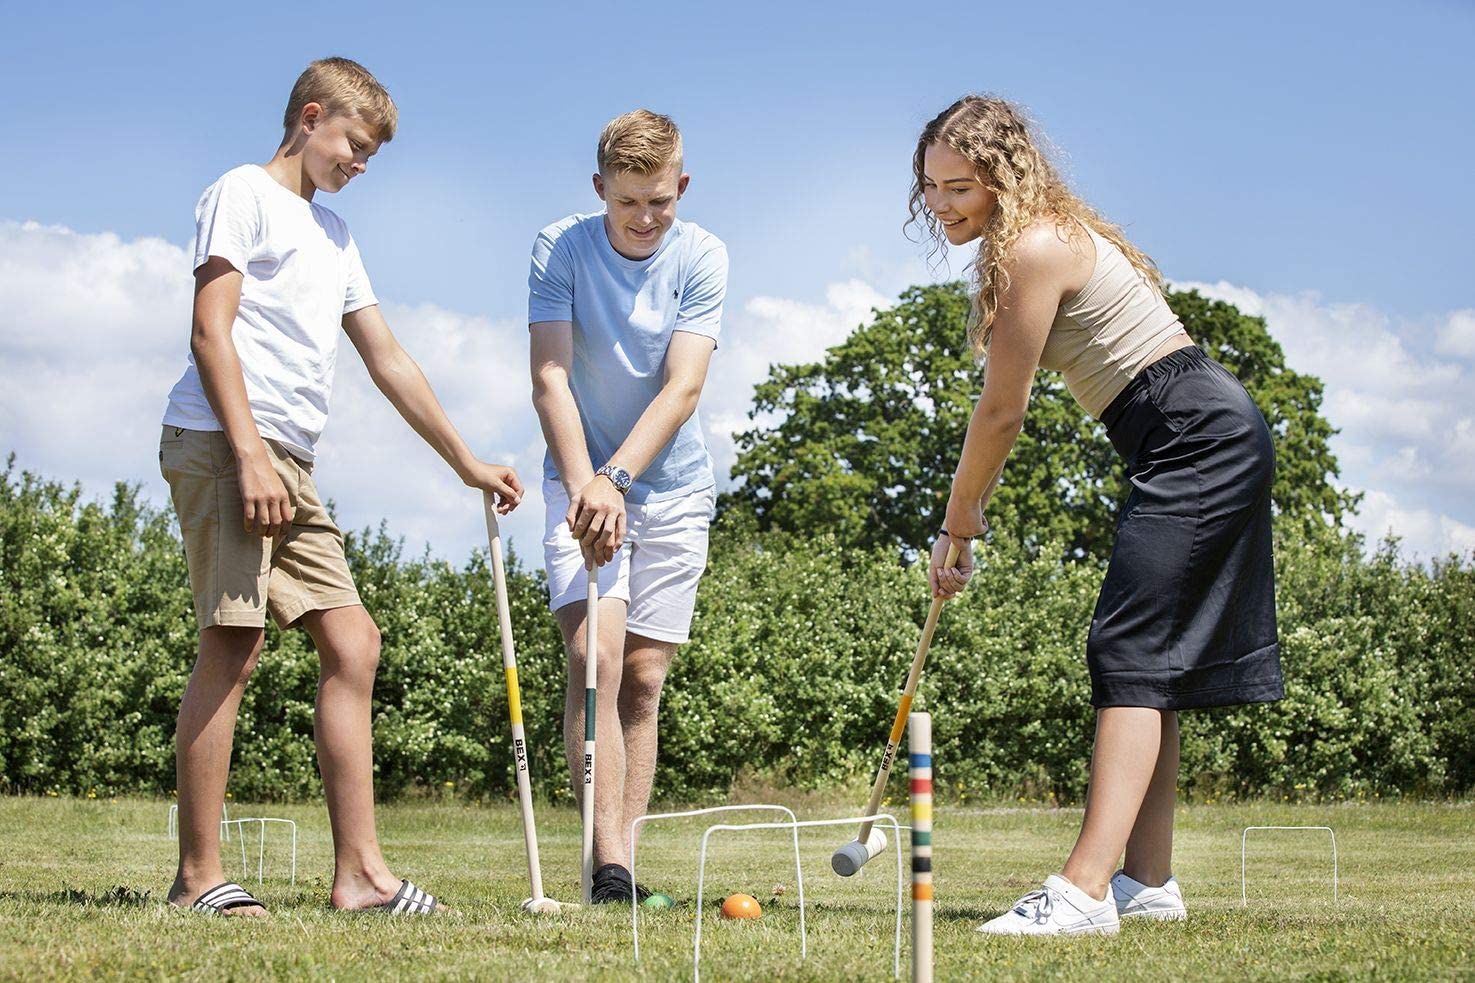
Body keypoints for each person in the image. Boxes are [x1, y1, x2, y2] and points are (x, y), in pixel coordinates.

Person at [159, 57, 522, 916]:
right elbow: (211, 332)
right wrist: (248, 454)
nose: (361, 164)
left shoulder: (335, 236)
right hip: (223, 440)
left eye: (370, 155)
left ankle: (360, 876)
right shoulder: (241, 192)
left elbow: (385, 355)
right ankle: (196, 878)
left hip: (291, 458)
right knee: (234, 641)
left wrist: (465, 459)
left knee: (354, 642)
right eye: (354, 145)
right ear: (310, 116)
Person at [914, 95, 1283, 935]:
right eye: (930, 186)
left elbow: (1000, 411)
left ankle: (1082, 889)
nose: (940, 204)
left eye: (959, 186)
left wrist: (958, 522)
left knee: (1129, 648)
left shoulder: (1035, 249)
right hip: (1195, 429)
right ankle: (1145, 883)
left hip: (1193, 433)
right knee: (1150, 660)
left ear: (1003, 179)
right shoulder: (1044, 237)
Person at [528, 109, 727, 903]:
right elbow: (549, 376)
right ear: (598, 190)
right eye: (626, 203)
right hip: (577, 476)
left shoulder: (703, 254)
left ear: (679, 186)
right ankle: (605, 867)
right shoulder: (559, 247)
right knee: (593, 662)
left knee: (641, 678)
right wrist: (587, 484)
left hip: (671, 487)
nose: (644, 219)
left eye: (659, 202)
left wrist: (617, 476)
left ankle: (624, 865)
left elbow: (682, 385)